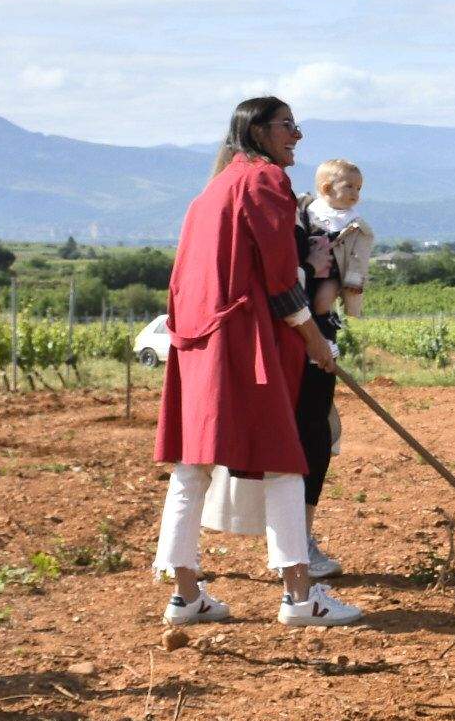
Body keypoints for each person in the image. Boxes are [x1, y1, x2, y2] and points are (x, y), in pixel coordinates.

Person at [152, 97, 365, 629]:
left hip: (198, 341)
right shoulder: (264, 181)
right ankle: (299, 595)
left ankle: (185, 594)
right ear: (258, 130)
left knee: (192, 464)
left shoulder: (212, 189)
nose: (297, 136)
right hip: (246, 342)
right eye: (288, 126)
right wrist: (314, 337)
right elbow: (277, 278)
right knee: (285, 459)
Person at [290, 158, 374, 579]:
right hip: (308, 336)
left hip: (313, 331)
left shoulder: (323, 218)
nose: (355, 194)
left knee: (315, 434)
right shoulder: (303, 214)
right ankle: (296, 546)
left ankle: (296, 542)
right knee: (312, 436)